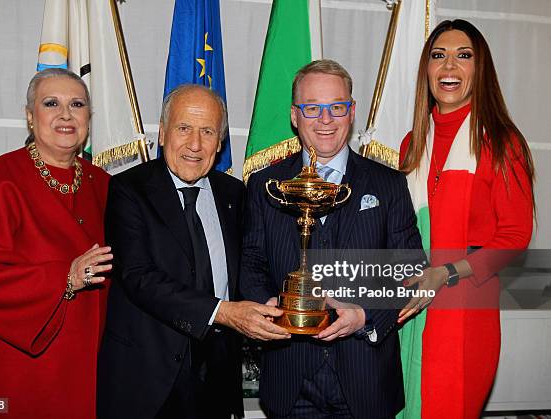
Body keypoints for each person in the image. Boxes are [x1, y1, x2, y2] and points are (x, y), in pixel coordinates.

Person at [240, 59, 423, 418]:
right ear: (295, 116)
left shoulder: (387, 184)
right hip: (290, 380)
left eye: (336, 107)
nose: (325, 120)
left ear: (351, 111)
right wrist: (275, 307)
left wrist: (365, 315)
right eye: (312, 108)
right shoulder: (266, 185)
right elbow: (249, 262)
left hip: (366, 380)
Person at [96, 84, 290, 419]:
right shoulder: (128, 190)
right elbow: (138, 278)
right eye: (184, 128)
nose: (195, 144)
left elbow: (248, 266)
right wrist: (224, 312)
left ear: (220, 142)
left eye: (208, 131)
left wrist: (269, 300)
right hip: (147, 379)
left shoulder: (235, 194)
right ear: (162, 133)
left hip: (216, 377)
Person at [0, 68, 113, 418]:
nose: (66, 115)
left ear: (88, 119)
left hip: (87, 366)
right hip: (12, 365)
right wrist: (63, 278)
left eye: (77, 104)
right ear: (30, 117)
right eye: (51, 103)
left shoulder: (105, 185)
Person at [397, 19, 535, 419]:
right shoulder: (411, 142)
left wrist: (448, 272)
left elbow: (514, 236)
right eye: (438, 56)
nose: (449, 67)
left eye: (464, 56)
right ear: (426, 69)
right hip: (409, 311)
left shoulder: (502, 141)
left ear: (480, 69)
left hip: (465, 312)